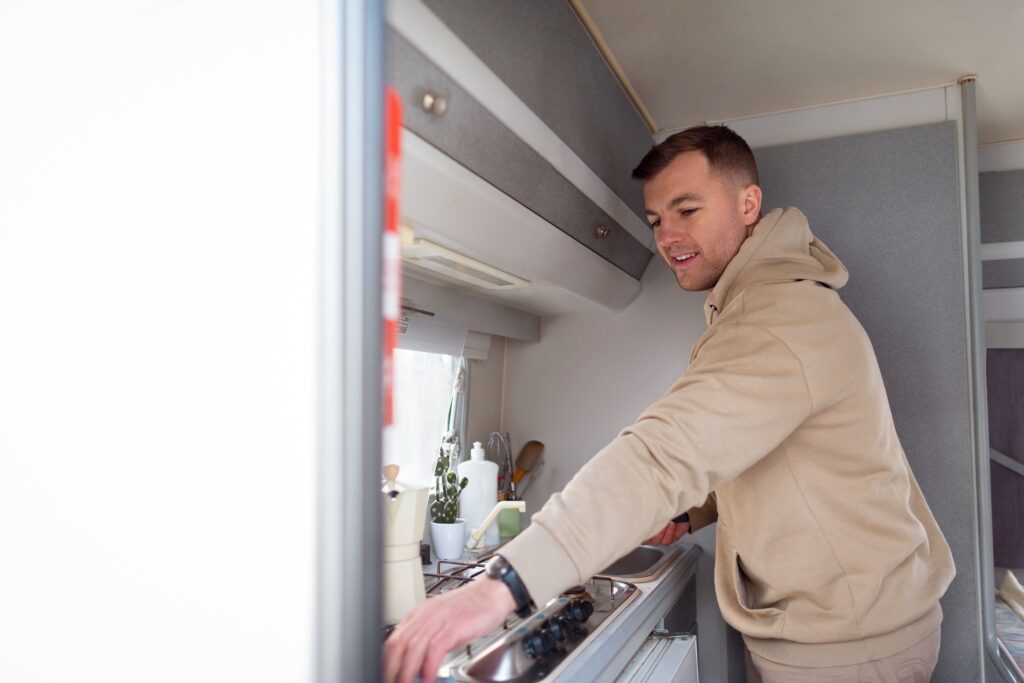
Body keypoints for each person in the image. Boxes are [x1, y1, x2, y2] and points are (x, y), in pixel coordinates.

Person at [384, 125, 956, 683]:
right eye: (657, 219)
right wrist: (691, 513)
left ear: (748, 203)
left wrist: (501, 586)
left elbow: (662, 456)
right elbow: (760, 454)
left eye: (688, 210)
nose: (667, 236)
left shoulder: (778, 319)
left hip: (847, 650)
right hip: (840, 631)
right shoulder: (766, 307)